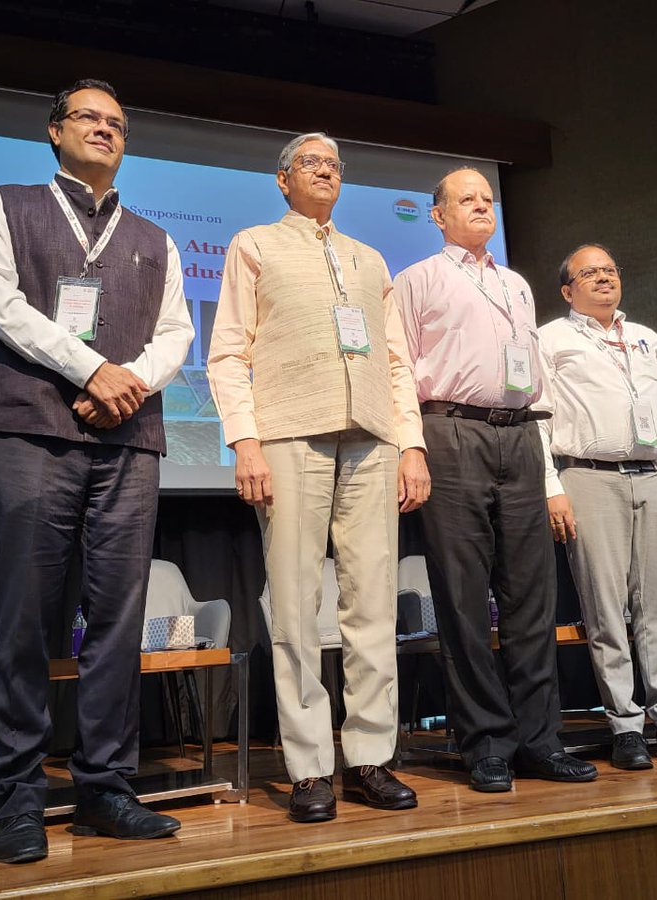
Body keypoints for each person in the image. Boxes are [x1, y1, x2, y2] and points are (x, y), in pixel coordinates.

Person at [0, 78, 194, 863]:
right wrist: (94, 369)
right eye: (88, 118)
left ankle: (105, 788)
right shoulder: (8, 204)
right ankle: (19, 797)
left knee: (115, 622)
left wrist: (126, 383)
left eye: (117, 123)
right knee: (25, 616)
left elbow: (175, 337)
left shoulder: (154, 237)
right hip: (27, 429)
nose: (104, 129)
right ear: (54, 131)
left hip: (129, 441)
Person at [208, 132, 429, 823]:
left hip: (372, 440)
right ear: (282, 180)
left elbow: (395, 360)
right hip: (287, 435)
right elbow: (225, 353)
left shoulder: (369, 257)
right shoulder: (255, 244)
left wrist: (412, 445)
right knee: (298, 606)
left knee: (372, 605)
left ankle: (370, 757)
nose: (326, 169)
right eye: (310, 161)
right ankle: (309, 767)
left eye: (335, 163)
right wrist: (246, 441)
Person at [393, 167, 597, 792]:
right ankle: (483, 742)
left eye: (488, 199)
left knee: (531, 598)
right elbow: (398, 367)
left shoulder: (515, 285)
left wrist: (546, 468)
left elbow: (528, 376)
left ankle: (539, 739)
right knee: (461, 596)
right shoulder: (416, 280)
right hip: (450, 431)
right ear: (437, 215)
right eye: (467, 200)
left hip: (519, 433)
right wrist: (410, 446)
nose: (483, 207)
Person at [534, 244, 657, 770]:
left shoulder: (646, 338)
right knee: (605, 609)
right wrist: (552, 485)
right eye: (589, 272)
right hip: (587, 475)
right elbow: (538, 418)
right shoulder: (549, 339)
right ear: (566, 290)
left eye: (610, 269)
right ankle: (626, 725)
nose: (603, 278)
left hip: (653, 477)